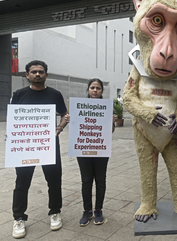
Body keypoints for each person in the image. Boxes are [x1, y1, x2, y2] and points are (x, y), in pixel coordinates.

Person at [11, 60, 68, 239]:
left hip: (48, 145)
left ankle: (55, 212)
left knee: (54, 180)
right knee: (22, 182)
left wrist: (59, 129)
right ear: (27, 75)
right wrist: (12, 135)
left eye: (41, 72)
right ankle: (19, 218)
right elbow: (14, 119)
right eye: (33, 72)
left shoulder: (55, 94)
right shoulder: (19, 94)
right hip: (25, 146)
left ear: (46, 75)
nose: (37, 74)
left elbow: (64, 115)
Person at [66, 78, 117, 226]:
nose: (95, 90)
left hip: (101, 149)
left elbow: (110, 131)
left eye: (98, 88)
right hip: (83, 150)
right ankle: (87, 210)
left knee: (100, 181)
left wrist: (112, 122)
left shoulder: (107, 107)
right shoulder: (79, 107)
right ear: (88, 89)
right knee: (86, 181)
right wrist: (71, 119)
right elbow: (75, 128)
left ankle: (98, 210)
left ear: (102, 90)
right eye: (92, 87)